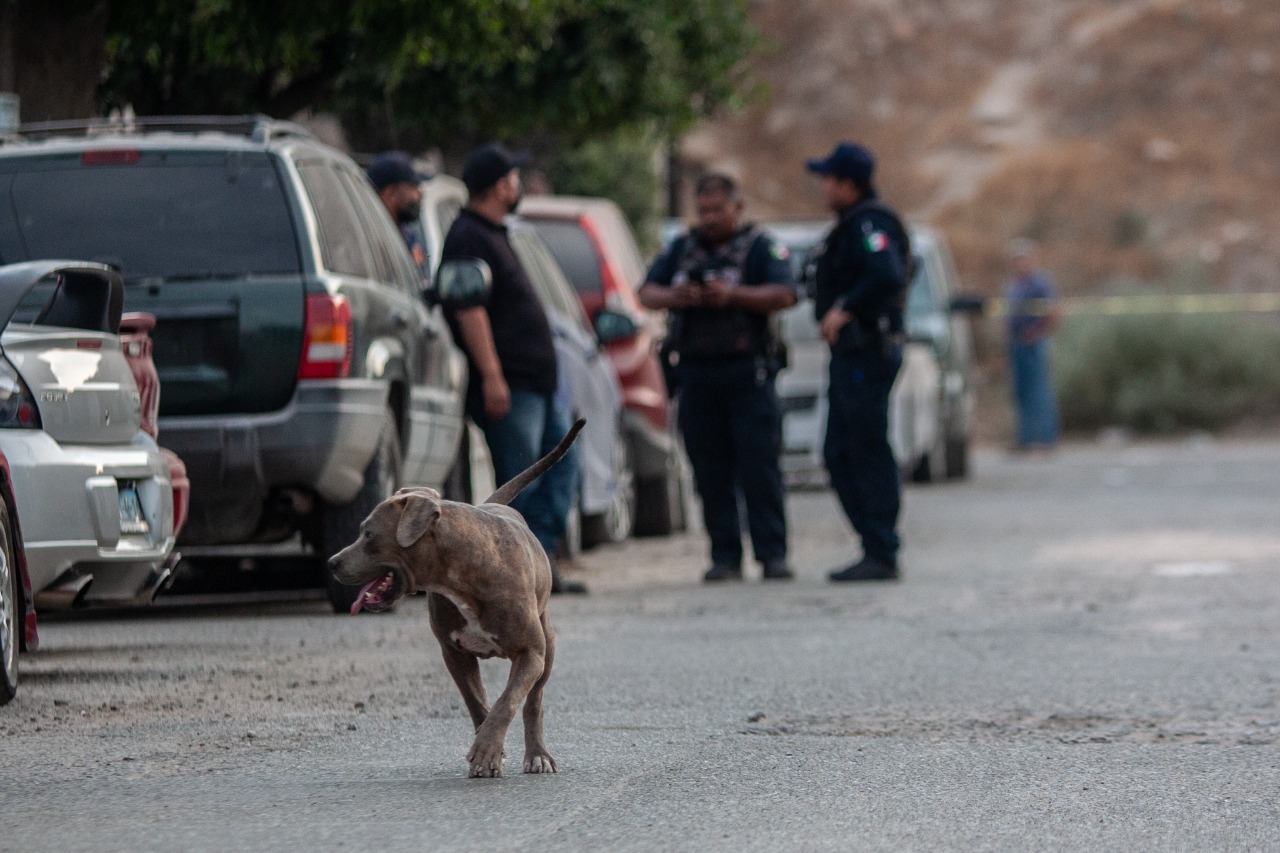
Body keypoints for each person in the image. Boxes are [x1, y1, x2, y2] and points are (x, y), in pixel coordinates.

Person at [440, 142, 585, 594]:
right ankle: (515, 581)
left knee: (561, 466)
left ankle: (540, 568)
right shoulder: (467, 235)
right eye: (514, 178)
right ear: (502, 185)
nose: (518, 185)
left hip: (537, 385)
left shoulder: (496, 232)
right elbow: (469, 311)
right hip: (512, 386)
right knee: (520, 481)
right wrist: (493, 376)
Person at [639, 173, 798, 582]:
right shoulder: (682, 249)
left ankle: (772, 554)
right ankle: (724, 556)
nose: (709, 219)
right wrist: (681, 297)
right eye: (703, 210)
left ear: (737, 208)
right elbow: (647, 293)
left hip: (748, 374)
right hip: (696, 376)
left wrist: (733, 296)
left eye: (717, 210)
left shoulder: (760, 248)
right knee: (710, 471)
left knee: (759, 469)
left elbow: (784, 294)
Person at [805, 142, 911, 583]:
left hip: (867, 351)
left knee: (864, 449)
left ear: (848, 183)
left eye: (829, 180)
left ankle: (881, 548)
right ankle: (873, 543)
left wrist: (844, 307)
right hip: (851, 354)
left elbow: (886, 272)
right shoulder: (850, 224)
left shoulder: (870, 222)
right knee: (840, 452)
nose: (824, 188)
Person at [1004, 238, 1061, 452]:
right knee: (1021, 392)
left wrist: (1037, 333)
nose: (1020, 264)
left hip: (1034, 342)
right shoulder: (1014, 284)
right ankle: (1026, 440)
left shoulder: (1040, 282)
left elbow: (1054, 311)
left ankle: (1045, 440)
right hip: (1017, 342)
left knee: (1039, 391)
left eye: (1023, 259)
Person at [366, 151, 432, 283]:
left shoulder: (407, 234)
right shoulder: (370, 237)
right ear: (390, 193)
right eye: (413, 187)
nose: (419, 195)